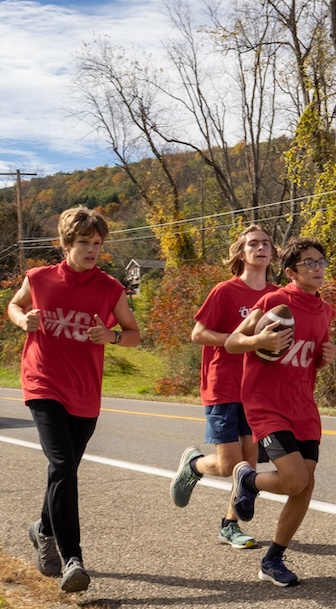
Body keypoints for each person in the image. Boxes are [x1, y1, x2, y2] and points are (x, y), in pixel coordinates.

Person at [7, 205, 140, 594]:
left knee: (61, 471)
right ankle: (73, 558)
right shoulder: (40, 278)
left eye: (98, 243)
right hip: (43, 382)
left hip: (85, 391)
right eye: (84, 242)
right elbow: (15, 305)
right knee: (63, 465)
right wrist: (21, 319)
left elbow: (132, 333)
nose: (92, 250)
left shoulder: (110, 288)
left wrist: (111, 337)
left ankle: (43, 529)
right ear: (67, 244)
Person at [224, 236, 336, 587]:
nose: (317, 268)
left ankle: (273, 558)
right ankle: (248, 479)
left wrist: (324, 358)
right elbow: (231, 342)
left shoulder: (326, 310)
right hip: (267, 403)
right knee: (294, 479)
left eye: (321, 262)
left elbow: (310, 357)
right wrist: (258, 341)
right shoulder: (274, 301)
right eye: (309, 263)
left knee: (305, 486)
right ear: (291, 271)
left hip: (304, 405)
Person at [169, 225, 279, 549]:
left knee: (248, 466)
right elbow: (198, 333)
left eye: (266, 244)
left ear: (272, 253)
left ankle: (229, 525)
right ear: (241, 253)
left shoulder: (276, 296)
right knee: (228, 464)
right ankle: (193, 465)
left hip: (256, 389)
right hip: (223, 385)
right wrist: (240, 341)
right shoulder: (225, 291)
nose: (260, 248)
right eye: (253, 244)